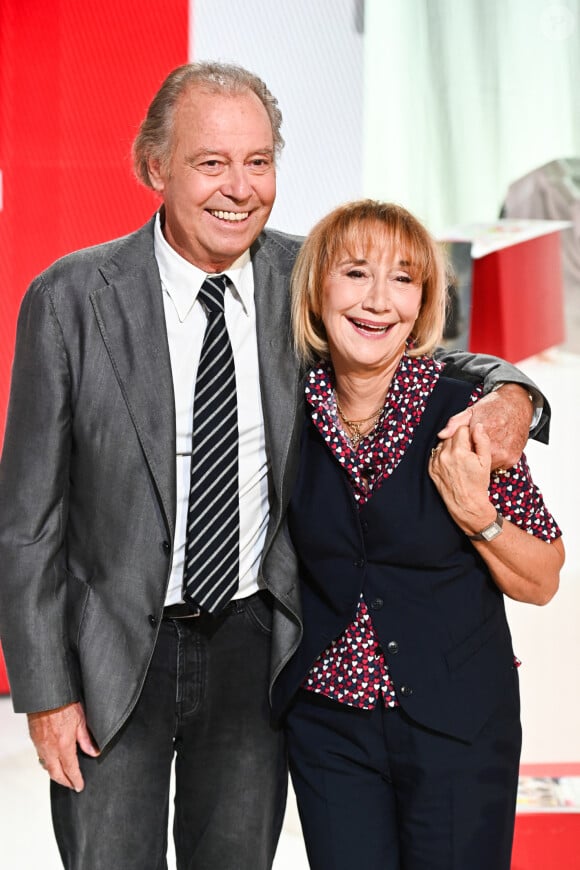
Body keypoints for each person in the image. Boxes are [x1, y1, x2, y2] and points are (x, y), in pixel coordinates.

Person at [0, 63, 550, 870]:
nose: (240, 187)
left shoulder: (306, 276)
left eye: (258, 161)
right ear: (156, 167)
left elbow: (417, 347)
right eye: (211, 162)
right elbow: (27, 522)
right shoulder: (72, 298)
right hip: (114, 651)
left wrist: (515, 394)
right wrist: (44, 691)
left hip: (257, 650)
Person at [274, 199, 565, 870]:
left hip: (458, 725)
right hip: (329, 728)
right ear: (318, 288)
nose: (379, 301)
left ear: (423, 301)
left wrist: (478, 517)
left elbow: (545, 576)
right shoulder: (289, 410)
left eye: (403, 278)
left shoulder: (468, 416)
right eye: (356, 273)